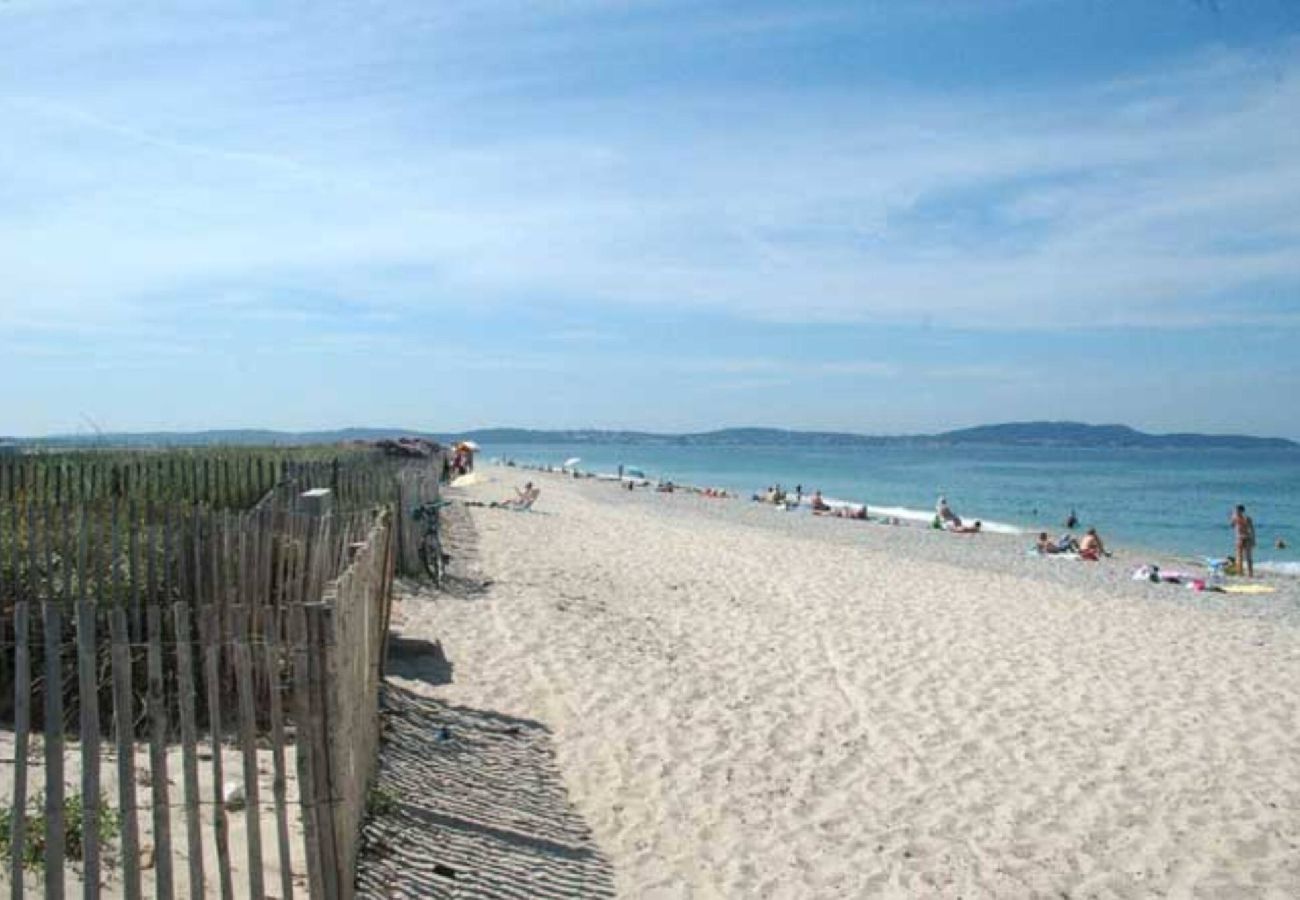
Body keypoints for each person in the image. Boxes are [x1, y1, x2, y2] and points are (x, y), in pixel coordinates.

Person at [1230, 505, 1255, 577]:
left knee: (1248, 557)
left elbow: (1252, 529)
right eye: (1235, 510)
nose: (1236, 512)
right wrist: (1232, 518)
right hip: (1239, 538)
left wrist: (1253, 540)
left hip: (1247, 538)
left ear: (1241, 511)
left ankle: (1250, 573)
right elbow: (1232, 526)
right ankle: (1240, 573)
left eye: (1237, 510)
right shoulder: (1235, 518)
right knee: (1239, 557)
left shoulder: (1247, 518)